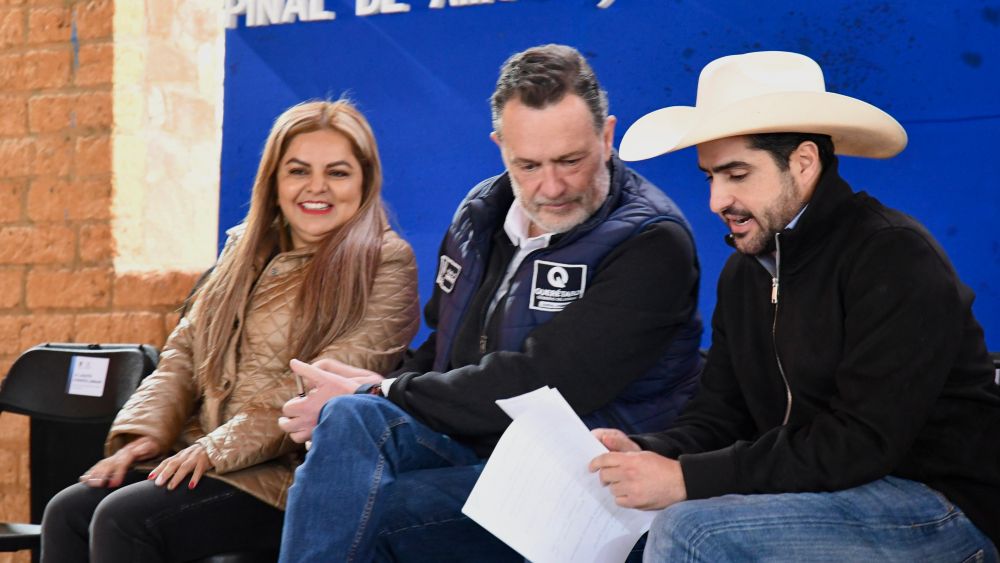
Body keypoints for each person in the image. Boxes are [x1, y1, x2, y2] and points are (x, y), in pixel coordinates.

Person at [276, 44, 704, 562]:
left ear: (607, 135)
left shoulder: (652, 242)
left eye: (571, 160)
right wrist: (367, 394)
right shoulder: (479, 215)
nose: (552, 186)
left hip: (585, 480)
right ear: (499, 145)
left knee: (370, 512)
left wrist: (384, 387)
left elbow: (544, 379)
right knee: (348, 418)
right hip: (477, 448)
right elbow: (442, 347)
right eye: (527, 164)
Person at [588, 50, 1000, 561]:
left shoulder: (893, 254)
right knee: (630, 528)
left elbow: (862, 442)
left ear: (804, 163)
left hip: (941, 505)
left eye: (736, 174)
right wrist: (654, 451)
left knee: (691, 532)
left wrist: (687, 478)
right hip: (820, 492)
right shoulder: (745, 271)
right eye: (710, 176)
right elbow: (720, 414)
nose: (716, 200)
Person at [40, 100, 421, 562]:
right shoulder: (243, 247)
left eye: (337, 173)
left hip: (291, 473)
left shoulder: (386, 260)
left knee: (125, 517)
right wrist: (145, 433)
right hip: (207, 454)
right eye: (298, 170)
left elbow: (319, 386)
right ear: (274, 181)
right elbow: (183, 351)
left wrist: (217, 448)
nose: (316, 187)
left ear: (363, 181)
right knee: (67, 511)